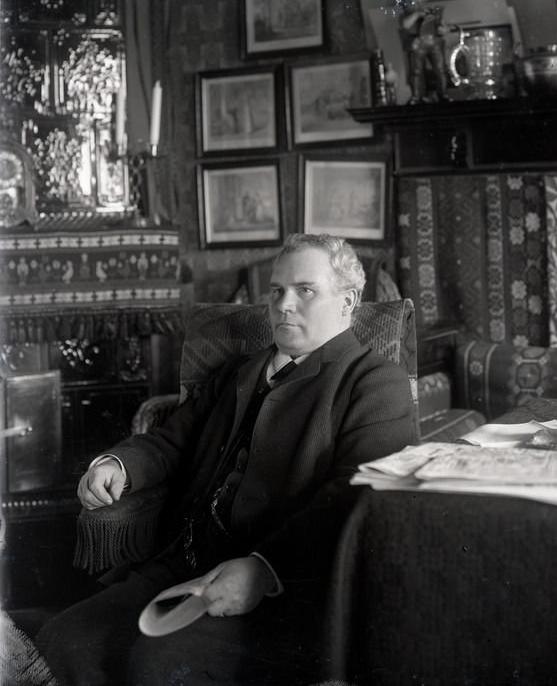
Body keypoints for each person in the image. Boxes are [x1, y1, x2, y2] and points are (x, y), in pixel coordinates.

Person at [37, 233, 416, 686]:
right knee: (64, 641)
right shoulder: (241, 370)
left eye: (305, 290)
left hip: (282, 587)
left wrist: (264, 568)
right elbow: (172, 441)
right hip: (181, 562)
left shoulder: (376, 383)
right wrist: (116, 465)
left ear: (347, 301)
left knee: (159, 666)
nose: (283, 305)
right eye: (276, 291)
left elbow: (356, 500)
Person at [389, 0, 451, 104]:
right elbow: (405, 25)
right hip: (417, 45)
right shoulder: (405, 16)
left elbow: (444, 27)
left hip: (435, 43)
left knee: (440, 69)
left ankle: (443, 94)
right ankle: (416, 96)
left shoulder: (430, 12)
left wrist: (444, 29)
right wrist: (417, 14)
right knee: (416, 72)